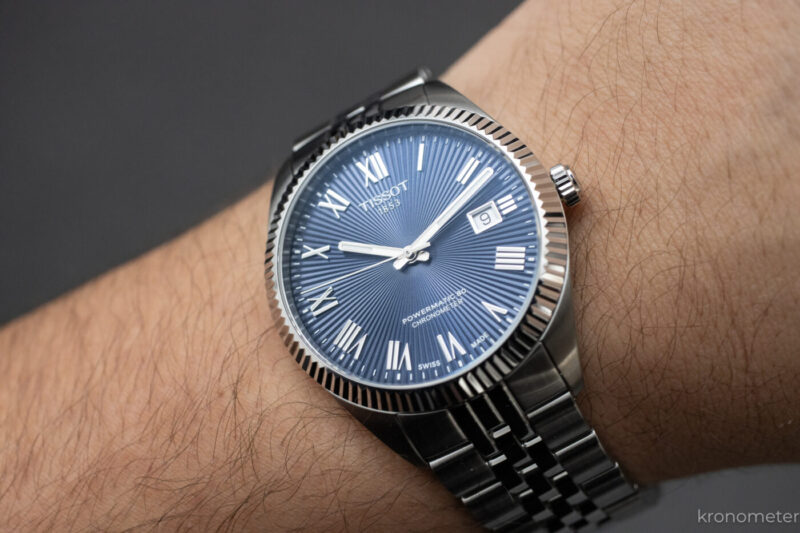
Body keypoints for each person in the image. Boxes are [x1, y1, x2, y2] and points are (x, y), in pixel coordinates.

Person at [1, 1, 798, 530]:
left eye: (415, 249)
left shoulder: (508, 204)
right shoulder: (318, 279)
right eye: (403, 252)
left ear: (555, 191)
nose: (414, 253)